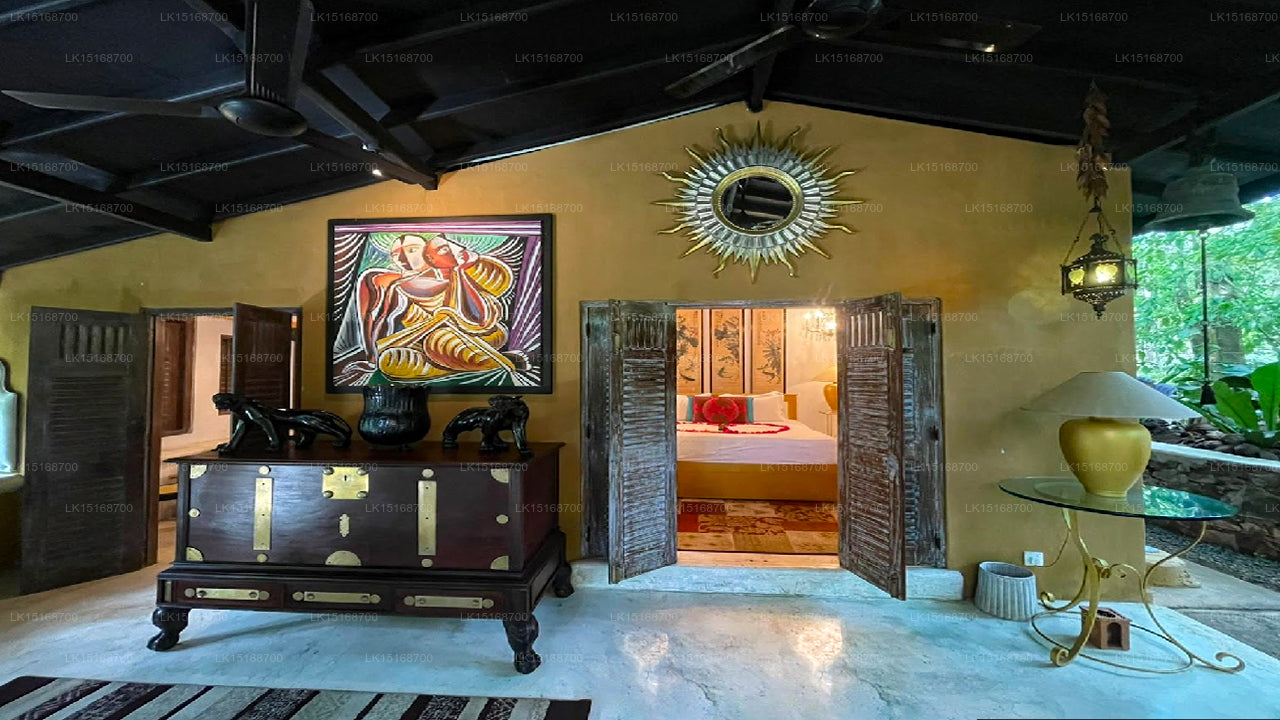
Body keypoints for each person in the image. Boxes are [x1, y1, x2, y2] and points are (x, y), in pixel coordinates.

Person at [348, 232, 524, 382]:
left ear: (427, 254)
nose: (403, 258)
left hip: (477, 336)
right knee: (390, 361)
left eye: (412, 250)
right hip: (422, 343)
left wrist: (459, 274)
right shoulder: (397, 286)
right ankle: (458, 365)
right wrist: (373, 359)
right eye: (395, 254)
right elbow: (383, 321)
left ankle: (491, 362)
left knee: (440, 342)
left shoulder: (462, 273)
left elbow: (481, 319)